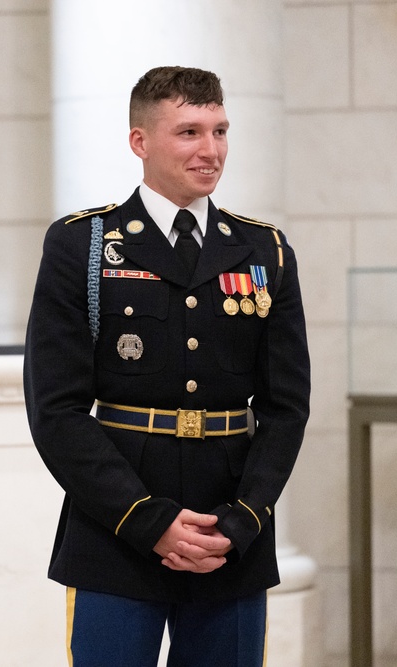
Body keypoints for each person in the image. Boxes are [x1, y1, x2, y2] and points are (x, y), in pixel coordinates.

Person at [23, 66, 310, 666]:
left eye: (220, 131)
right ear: (140, 141)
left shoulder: (264, 250)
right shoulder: (85, 245)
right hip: (117, 530)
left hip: (230, 533)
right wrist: (146, 520)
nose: (210, 151)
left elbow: (286, 408)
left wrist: (244, 519)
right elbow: (57, 409)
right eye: (188, 132)